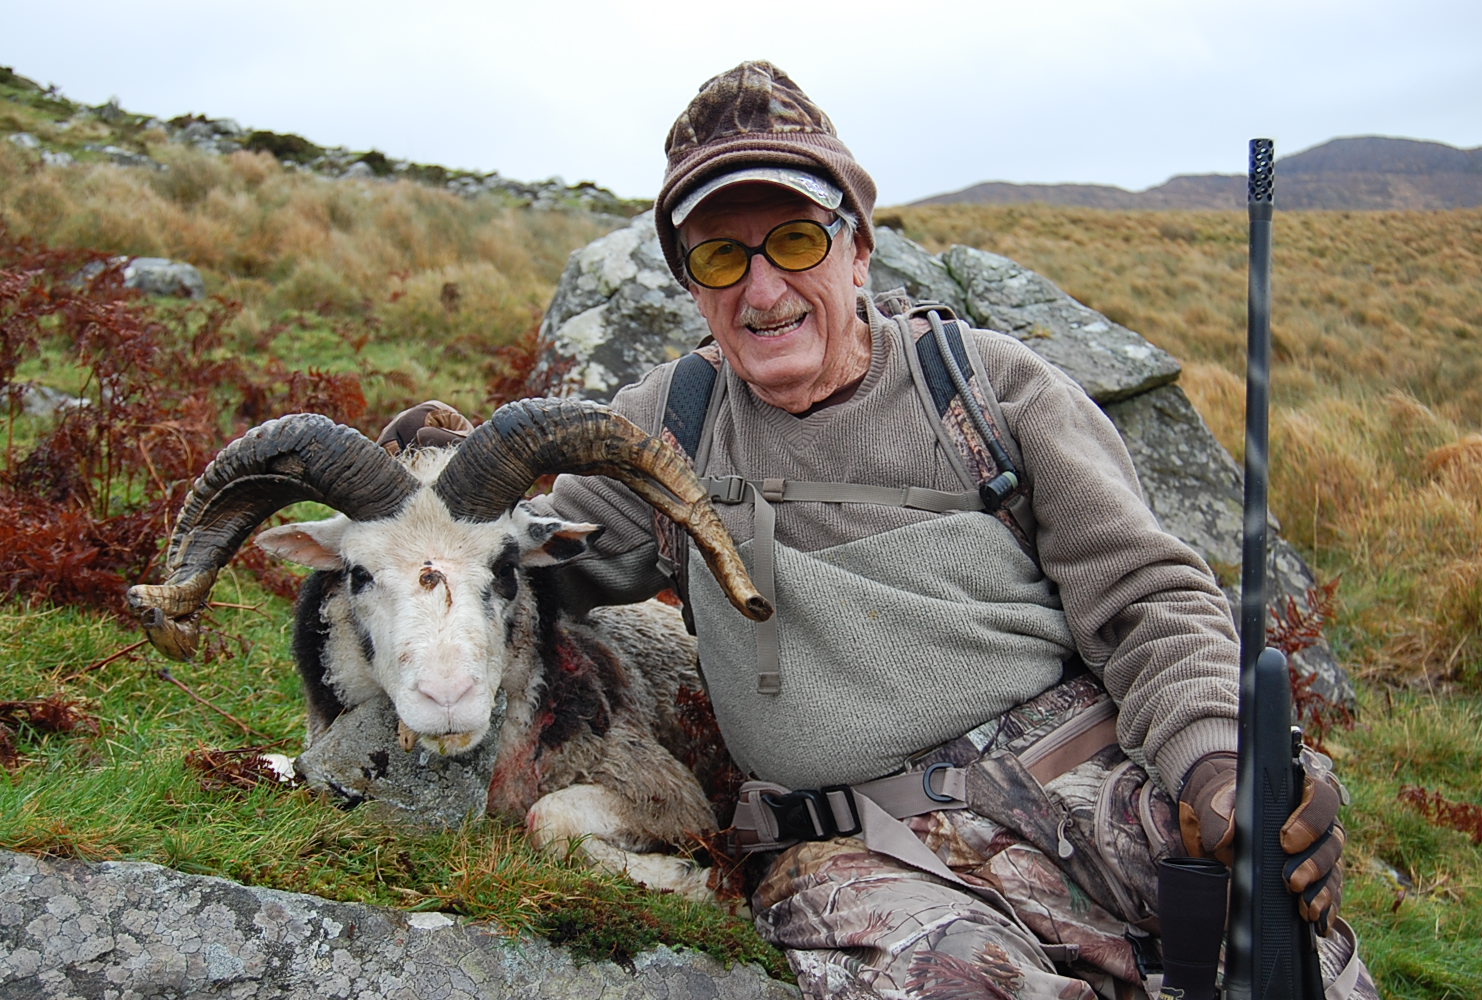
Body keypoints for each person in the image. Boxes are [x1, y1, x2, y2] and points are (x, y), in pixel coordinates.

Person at [385, 61, 1373, 1000]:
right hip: (859, 849)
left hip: (1089, 776)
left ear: (859, 244)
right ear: (691, 281)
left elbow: (1148, 600)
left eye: (798, 242)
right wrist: (430, 490)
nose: (761, 290)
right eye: (722, 256)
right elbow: (516, 563)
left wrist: (1218, 764)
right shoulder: (663, 431)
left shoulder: (992, 391)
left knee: (1285, 948)